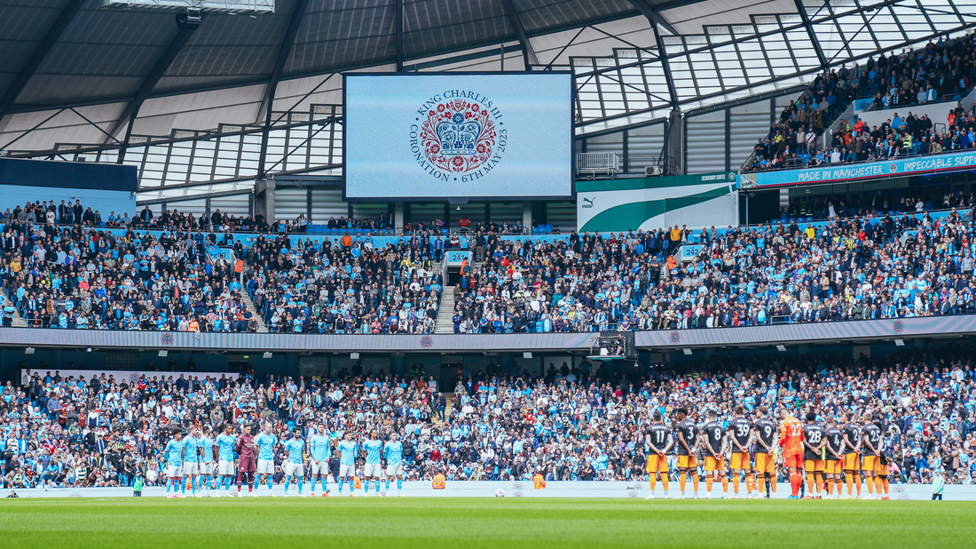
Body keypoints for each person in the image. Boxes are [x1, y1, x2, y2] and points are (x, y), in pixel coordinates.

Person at [728, 406, 754, 499]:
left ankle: (736, 494)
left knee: (736, 472)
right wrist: (746, 446)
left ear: (735, 412)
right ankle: (750, 493)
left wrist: (740, 447)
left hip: (736, 450)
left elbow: (732, 437)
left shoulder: (733, 422)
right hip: (746, 450)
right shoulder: (749, 422)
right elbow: (752, 436)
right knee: (748, 472)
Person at [644, 411, 671, 500]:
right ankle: (666, 495)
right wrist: (664, 450)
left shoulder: (649, 428)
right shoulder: (666, 428)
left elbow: (648, 441)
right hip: (662, 453)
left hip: (653, 453)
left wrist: (656, 450)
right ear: (661, 418)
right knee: (664, 473)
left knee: (652, 473)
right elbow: (671, 441)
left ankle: (652, 494)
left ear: (653, 419)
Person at [702, 409, 728, 499]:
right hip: (720, 452)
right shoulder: (721, 427)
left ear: (708, 416)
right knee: (722, 473)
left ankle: (709, 494)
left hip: (710, 453)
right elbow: (725, 442)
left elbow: (706, 442)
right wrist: (721, 453)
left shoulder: (706, 427)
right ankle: (725, 494)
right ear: (716, 416)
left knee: (709, 473)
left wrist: (713, 453)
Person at [778, 407, 804, 499]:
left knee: (792, 472)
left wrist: (781, 444)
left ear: (782, 415)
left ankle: (794, 494)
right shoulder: (798, 421)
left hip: (790, 449)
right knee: (799, 472)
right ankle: (796, 493)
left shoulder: (784, 423)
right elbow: (802, 436)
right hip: (799, 448)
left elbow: (783, 437)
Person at [674, 407, 699, 499]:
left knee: (682, 472)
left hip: (683, 451)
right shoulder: (693, 425)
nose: (677, 417)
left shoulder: (680, 425)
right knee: (694, 472)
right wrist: (693, 449)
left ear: (681, 414)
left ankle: (682, 494)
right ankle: (696, 494)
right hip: (692, 451)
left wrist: (688, 450)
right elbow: (698, 439)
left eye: (677, 415)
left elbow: (681, 439)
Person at [753, 406, 777, 499]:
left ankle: (760, 493)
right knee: (771, 472)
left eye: (757, 411)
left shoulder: (757, 423)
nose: (756, 413)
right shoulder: (772, 423)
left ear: (760, 412)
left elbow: (758, 438)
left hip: (761, 450)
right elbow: (775, 438)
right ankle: (774, 494)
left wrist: (766, 447)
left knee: (761, 472)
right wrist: (771, 448)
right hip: (770, 451)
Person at [801, 412, 826, 500]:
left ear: (806, 419)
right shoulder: (821, 428)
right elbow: (825, 441)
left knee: (810, 473)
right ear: (815, 419)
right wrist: (817, 448)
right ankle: (819, 495)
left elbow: (804, 441)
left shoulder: (804, 428)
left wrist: (812, 448)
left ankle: (810, 494)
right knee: (819, 473)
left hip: (809, 453)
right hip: (818, 454)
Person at [861, 414, 883, 500]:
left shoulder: (865, 428)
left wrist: (874, 450)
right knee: (876, 474)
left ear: (864, 418)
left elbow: (867, 442)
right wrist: (878, 450)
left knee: (868, 474)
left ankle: (870, 493)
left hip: (869, 453)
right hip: (876, 454)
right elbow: (881, 441)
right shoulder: (877, 428)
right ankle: (879, 494)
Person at [823, 418, 845, 499]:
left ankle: (830, 495)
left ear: (826, 422)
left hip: (830, 456)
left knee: (830, 476)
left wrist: (835, 454)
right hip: (838, 457)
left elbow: (827, 445)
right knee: (838, 476)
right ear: (833, 422)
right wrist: (839, 453)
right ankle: (839, 495)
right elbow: (843, 443)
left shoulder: (826, 432)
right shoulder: (839, 432)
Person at [842, 412, 862, 499]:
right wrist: (857, 448)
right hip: (856, 453)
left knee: (848, 473)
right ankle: (858, 495)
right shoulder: (855, 427)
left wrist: (853, 448)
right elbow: (859, 440)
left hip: (849, 452)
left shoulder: (845, 427)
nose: (842, 418)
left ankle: (849, 494)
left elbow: (846, 440)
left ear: (846, 418)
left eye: (843, 416)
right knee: (856, 473)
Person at [308, 423, 331, 497]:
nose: (321, 428)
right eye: (320, 427)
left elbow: (328, 448)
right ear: (317, 428)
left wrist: (328, 456)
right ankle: (312, 492)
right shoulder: (314, 437)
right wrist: (315, 458)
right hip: (316, 460)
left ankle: (324, 492)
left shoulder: (326, 438)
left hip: (324, 460)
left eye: (322, 427)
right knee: (314, 475)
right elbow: (312, 448)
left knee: (324, 476)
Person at [255, 423, 278, 496]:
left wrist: (271, 453)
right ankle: (255, 491)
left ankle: (271, 491)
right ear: (264, 427)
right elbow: (257, 447)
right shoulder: (261, 436)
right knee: (259, 473)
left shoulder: (273, 437)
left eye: (271, 427)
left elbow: (273, 446)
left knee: (270, 474)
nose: (270, 428)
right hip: (262, 457)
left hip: (270, 458)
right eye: (268, 427)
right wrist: (259, 455)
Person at [235, 425, 257, 497]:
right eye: (247, 429)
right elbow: (237, 449)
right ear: (244, 429)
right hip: (244, 457)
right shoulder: (241, 437)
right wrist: (242, 454)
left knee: (251, 473)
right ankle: (239, 491)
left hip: (251, 457)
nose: (249, 430)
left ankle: (250, 491)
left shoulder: (251, 437)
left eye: (250, 429)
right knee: (241, 473)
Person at [215, 424, 237, 496]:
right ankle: (217, 491)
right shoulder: (220, 437)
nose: (230, 430)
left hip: (230, 458)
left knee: (229, 475)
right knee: (221, 474)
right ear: (225, 429)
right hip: (223, 458)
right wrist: (218, 458)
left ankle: (227, 492)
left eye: (231, 429)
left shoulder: (233, 438)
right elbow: (216, 448)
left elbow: (233, 447)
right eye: (229, 428)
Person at [283, 429, 305, 497]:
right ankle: (285, 492)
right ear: (294, 433)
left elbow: (302, 451)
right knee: (288, 477)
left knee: (300, 477)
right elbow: (286, 451)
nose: (299, 434)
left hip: (299, 462)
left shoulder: (302, 442)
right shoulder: (290, 442)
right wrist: (290, 457)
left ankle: (300, 492)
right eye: (298, 433)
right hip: (291, 462)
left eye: (299, 433)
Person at [163, 429, 185, 499]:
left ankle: (176, 493)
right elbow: (166, 452)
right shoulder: (171, 442)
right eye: (179, 434)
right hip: (172, 462)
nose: (180, 435)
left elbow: (182, 453)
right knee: (170, 477)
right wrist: (168, 461)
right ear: (175, 434)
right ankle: (167, 493)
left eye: (181, 434)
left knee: (177, 478)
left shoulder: (181, 443)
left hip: (179, 463)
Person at [362, 429, 383, 496]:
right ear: (371, 433)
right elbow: (364, 451)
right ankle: (366, 492)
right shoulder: (367, 442)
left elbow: (380, 450)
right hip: (369, 462)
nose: (375, 434)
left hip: (377, 462)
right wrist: (366, 458)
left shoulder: (379, 442)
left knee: (377, 477)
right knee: (367, 477)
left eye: (376, 433)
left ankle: (377, 492)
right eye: (374, 433)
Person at [384, 431, 405, 497]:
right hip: (391, 463)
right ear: (390, 436)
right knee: (388, 477)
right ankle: (387, 492)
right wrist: (388, 460)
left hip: (398, 462)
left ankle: (399, 492)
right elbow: (384, 453)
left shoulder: (399, 443)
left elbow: (401, 452)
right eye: (393, 435)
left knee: (399, 477)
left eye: (396, 435)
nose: (395, 436)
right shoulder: (388, 444)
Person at [182, 427, 201, 497]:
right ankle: (183, 493)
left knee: (194, 476)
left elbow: (200, 448)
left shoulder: (196, 440)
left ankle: (194, 493)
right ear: (191, 430)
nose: (197, 431)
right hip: (188, 459)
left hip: (194, 460)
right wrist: (183, 459)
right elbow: (183, 449)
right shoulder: (186, 439)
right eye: (195, 430)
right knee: (185, 475)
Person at [337, 431, 358, 496]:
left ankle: (351, 492)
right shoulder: (342, 443)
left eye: (350, 435)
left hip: (351, 463)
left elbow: (354, 452)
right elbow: (338, 452)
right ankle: (340, 493)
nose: (349, 436)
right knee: (342, 477)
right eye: (348, 435)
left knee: (351, 477)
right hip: (344, 463)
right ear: (345, 436)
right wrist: (341, 460)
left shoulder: (353, 444)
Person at [199, 426, 215, 497]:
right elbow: (201, 449)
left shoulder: (209, 438)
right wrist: (204, 459)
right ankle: (199, 491)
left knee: (209, 475)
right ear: (207, 430)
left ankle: (208, 492)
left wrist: (212, 459)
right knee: (202, 475)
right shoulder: (202, 438)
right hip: (204, 460)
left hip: (210, 460)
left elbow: (210, 449)